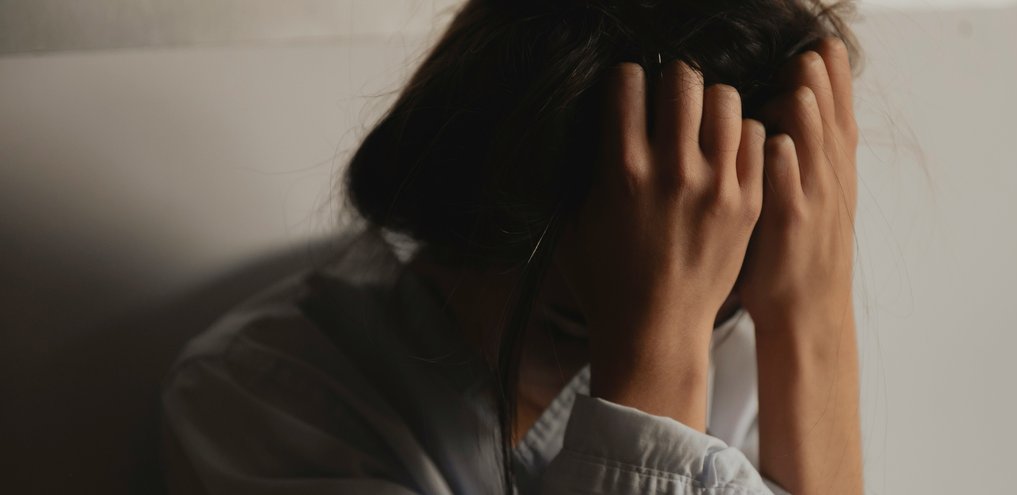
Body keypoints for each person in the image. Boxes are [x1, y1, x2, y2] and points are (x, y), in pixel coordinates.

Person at [160, 0, 864, 493]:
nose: (690, 328)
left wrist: (814, 326)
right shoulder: (264, 400)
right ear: (477, 202)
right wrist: (652, 356)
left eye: (709, 303)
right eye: (576, 319)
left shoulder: (744, 362)